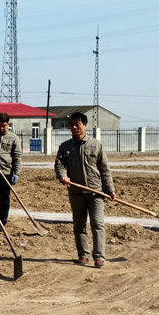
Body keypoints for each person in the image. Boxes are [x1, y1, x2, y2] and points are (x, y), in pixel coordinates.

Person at [54, 112, 115, 268]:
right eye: (72, 124)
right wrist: (63, 176)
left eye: (78, 124)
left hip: (96, 192)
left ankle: (99, 256)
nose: (74, 127)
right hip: (76, 192)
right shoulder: (65, 147)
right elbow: (59, 165)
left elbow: (105, 169)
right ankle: (83, 254)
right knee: (79, 225)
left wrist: (110, 189)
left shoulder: (96, 144)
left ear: (85, 125)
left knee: (97, 224)